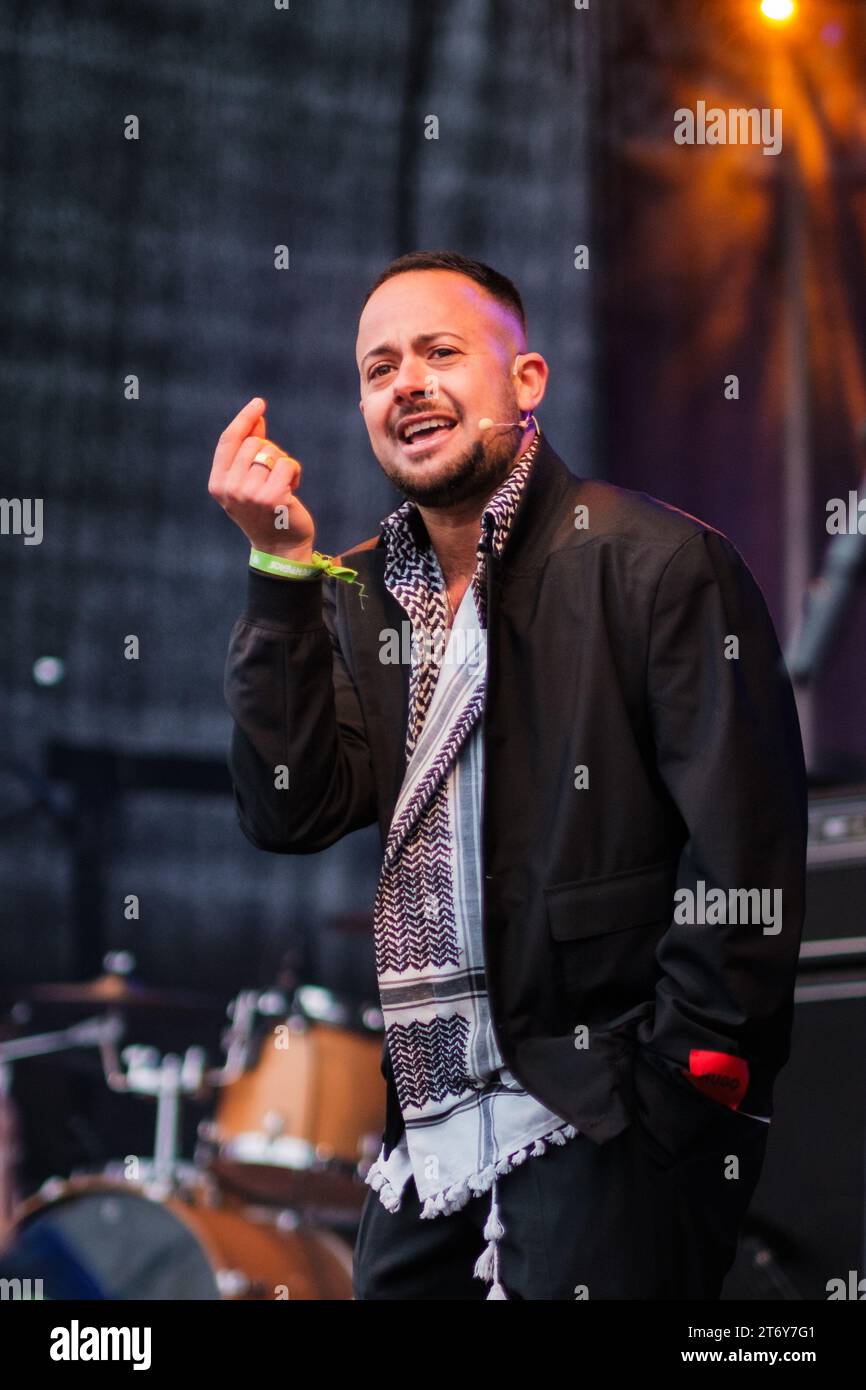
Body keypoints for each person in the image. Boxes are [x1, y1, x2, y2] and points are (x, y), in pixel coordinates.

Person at [208, 250, 807, 1300]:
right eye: (378, 367)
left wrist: (675, 1095)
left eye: (440, 353)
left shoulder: (655, 563)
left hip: (604, 1110)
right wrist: (278, 577)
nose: (407, 384)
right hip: (430, 1133)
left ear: (524, 384)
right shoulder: (358, 593)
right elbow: (291, 808)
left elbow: (742, 855)